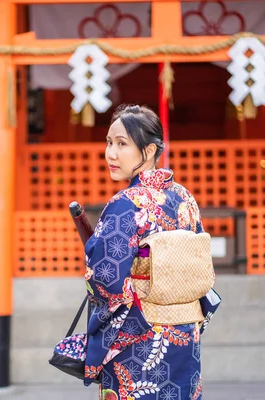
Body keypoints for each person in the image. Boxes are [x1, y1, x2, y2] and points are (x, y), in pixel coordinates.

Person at [82, 104, 220, 400]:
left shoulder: (126, 202)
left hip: (140, 340)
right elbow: (200, 268)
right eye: (109, 142)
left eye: (122, 144)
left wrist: (93, 253)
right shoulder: (184, 197)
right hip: (184, 333)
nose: (111, 153)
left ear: (148, 151)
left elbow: (106, 281)